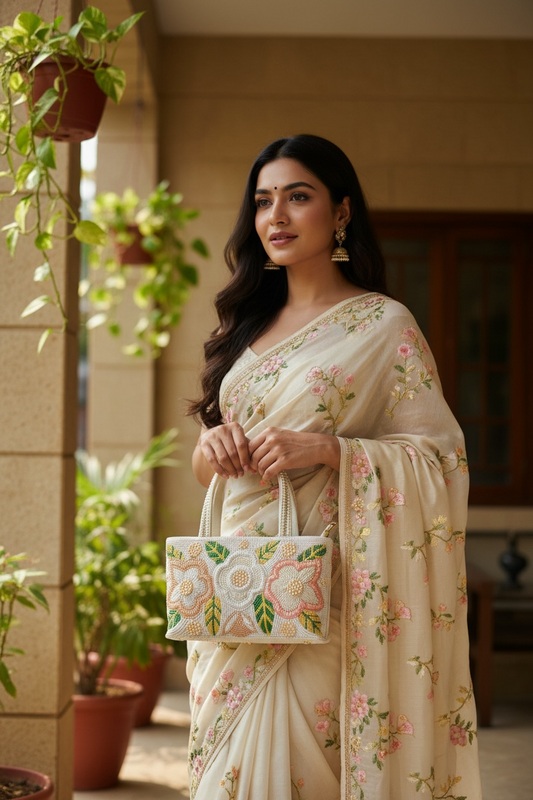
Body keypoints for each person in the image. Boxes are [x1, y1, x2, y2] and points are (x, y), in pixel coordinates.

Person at [185, 134, 482, 800]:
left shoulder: (382, 326)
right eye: (262, 202)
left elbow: (439, 457)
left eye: (298, 196)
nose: (276, 217)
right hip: (235, 594)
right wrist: (209, 453)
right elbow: (218, 467)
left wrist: (330, 450)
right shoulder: (245, 328)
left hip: (321, 598)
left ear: (340, 212)